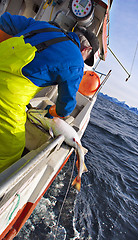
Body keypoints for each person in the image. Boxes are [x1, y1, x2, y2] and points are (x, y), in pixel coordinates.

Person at [0, 12, 99, 172]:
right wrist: (53, 111)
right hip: (7, 98)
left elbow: (5, 20)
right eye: (87, 57)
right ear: (86, 49)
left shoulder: (44, 26)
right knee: (12, 150)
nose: (84, 62)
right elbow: (66, 107)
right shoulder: (76, 62)